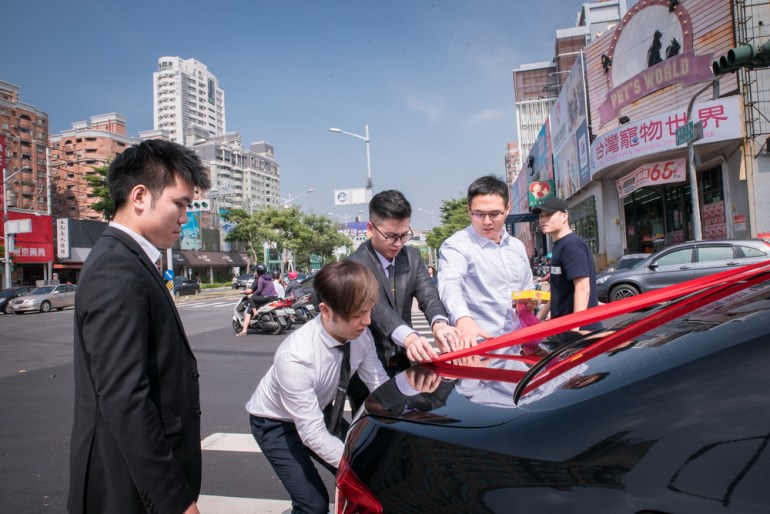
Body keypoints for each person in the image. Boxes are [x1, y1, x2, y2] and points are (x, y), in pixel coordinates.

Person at [68, 139, 210, 514]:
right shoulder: (117, 268)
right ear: (140, 196)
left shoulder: (130, 259)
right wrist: (174, 500)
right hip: (126, 489)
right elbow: (123, 396)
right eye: (180, 204)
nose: (185, 217)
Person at [245, 260, 389, 514]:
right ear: (325, 310)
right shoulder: (296, 357)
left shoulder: (360, 335)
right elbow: (311, 435)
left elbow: (378, 383)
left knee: (372, 478)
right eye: (357, 315)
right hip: (276, 423)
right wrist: (359, 463)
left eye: (369, 311)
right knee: (313, 505)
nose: (367, 322)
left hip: (319, 410)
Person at [346, 190, 459, 412]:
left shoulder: (412, 257)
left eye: (404, 235)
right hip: (367, 368)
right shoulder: (356, 264)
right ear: (370, 229)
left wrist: (439, 323)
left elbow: (428, 294)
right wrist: (409, 338)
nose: (398, 244)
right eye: (390, 236)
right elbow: (376, 307)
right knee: (373, 433)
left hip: (405, 365)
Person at [439, 175, 534, 348]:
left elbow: (527, 288)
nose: (487, 221)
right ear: (469, 210)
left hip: (518, 345)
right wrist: (463, 318)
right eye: (479, 214)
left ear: (507, 208)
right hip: (479, 346)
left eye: (494, 214)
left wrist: (529, 301)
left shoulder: (517, 247)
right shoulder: (457, 246)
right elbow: (449, 284)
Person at [533, 197, 600, 329]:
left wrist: (575, 328)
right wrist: (536, 320)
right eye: (541, 216)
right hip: (563, 328)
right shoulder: (559, 245)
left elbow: (583, 288)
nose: (543, 220)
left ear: (564, 217)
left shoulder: (571, 245)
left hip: (581, 333)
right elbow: (557, 291)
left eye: (549, 215)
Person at [237, 264, 278, 336]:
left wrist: (250, 294)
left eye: (255, 271)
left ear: (257, 271)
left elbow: (257, 290)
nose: (254, 272)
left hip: (265, 297)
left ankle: (244, 330)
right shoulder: (269, 277)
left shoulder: (259, 279)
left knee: (249, 309)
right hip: (274, 297)